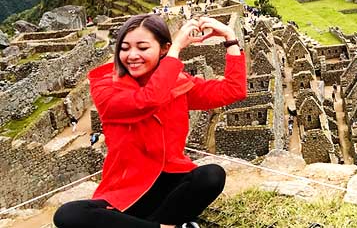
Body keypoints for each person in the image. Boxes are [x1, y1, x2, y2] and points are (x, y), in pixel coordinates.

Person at [53, 14, 247, 228]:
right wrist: (176, 51)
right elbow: (148, 100)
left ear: (162, 48)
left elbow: (233, 90)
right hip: (128, 188)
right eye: (124, 48)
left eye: (142, 48)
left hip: (170, 181)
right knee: (67, 215)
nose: (132, 55)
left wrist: (230, 37)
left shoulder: (178, 84)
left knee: (211, 175)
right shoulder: (106, 87)